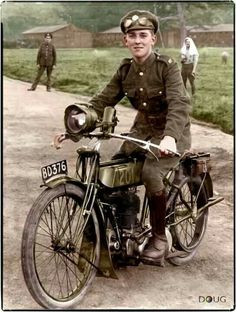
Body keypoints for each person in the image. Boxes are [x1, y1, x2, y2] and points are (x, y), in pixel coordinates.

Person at [88, 10, 191, 266]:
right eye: (131, 35)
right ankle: (124, 228)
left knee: (151, 173)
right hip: (142, 131)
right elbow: (102, 100)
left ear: (153, 39)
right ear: (125, 41)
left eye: (143, 35)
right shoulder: (125, 70)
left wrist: (169, 137)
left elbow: (179, 103)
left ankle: (158, 238)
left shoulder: (167, 67)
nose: (137, 40)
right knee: (112, 171)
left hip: (172, 133)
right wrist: (76, 121)